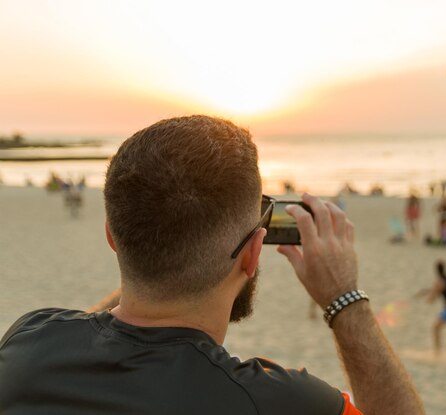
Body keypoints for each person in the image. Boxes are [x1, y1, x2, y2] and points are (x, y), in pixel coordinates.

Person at [0, 116, 424, 414]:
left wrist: (156, 256)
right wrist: (343, 297)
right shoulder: (284, 403)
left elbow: (92, 334)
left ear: (112, 236)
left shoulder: (27, 343)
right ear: (255, 253)